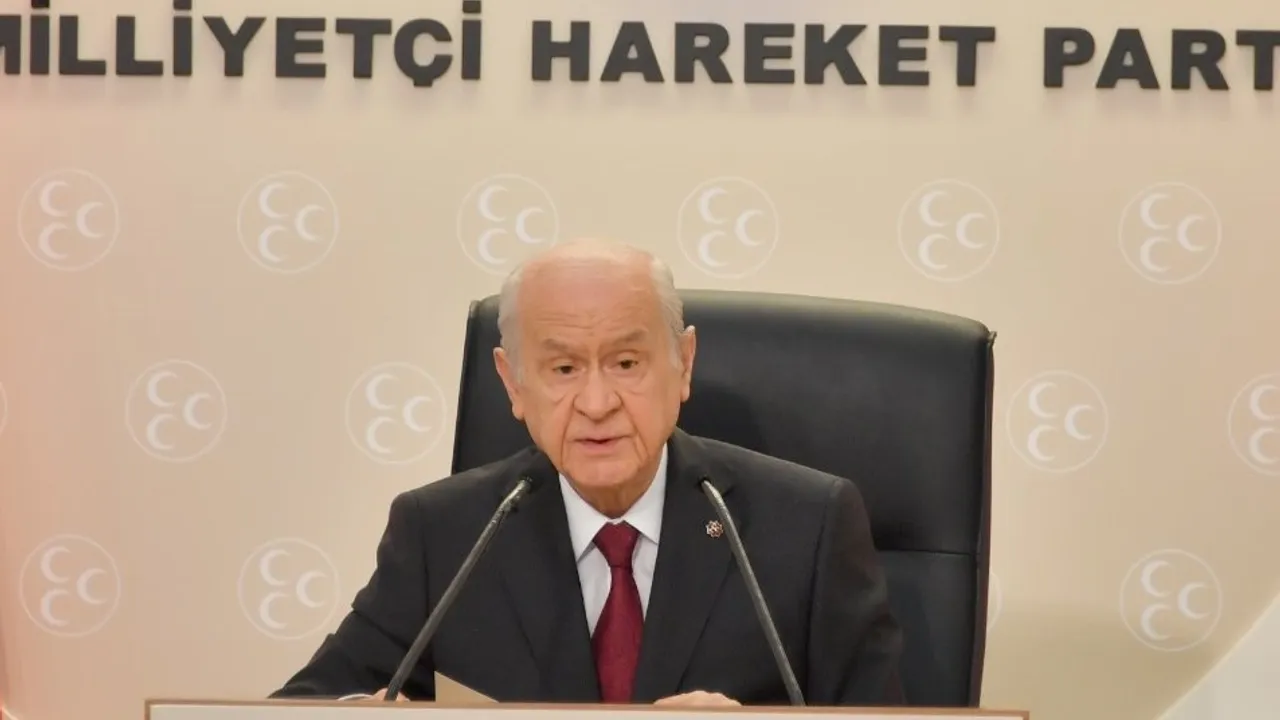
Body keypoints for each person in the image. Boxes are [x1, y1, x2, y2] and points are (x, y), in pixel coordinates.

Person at [270, 238, 904, 706]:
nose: (597, 404)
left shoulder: (808, 527)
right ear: (513, 383)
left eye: (626, 363)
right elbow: (301, 708)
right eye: (564, 369)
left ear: (683, 364)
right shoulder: (442, 534)